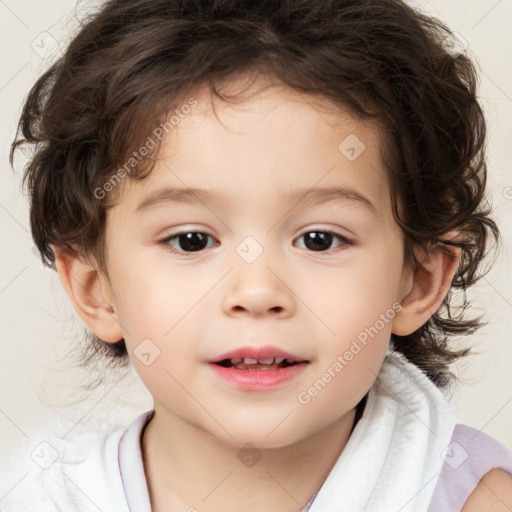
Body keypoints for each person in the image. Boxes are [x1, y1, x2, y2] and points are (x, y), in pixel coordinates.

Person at [3, 0, 512, 510]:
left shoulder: (474, 497)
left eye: (319, 239)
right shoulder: (44, 497)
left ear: (418, 282)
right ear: (97, 290)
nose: (257, 292)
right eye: (191, 240)